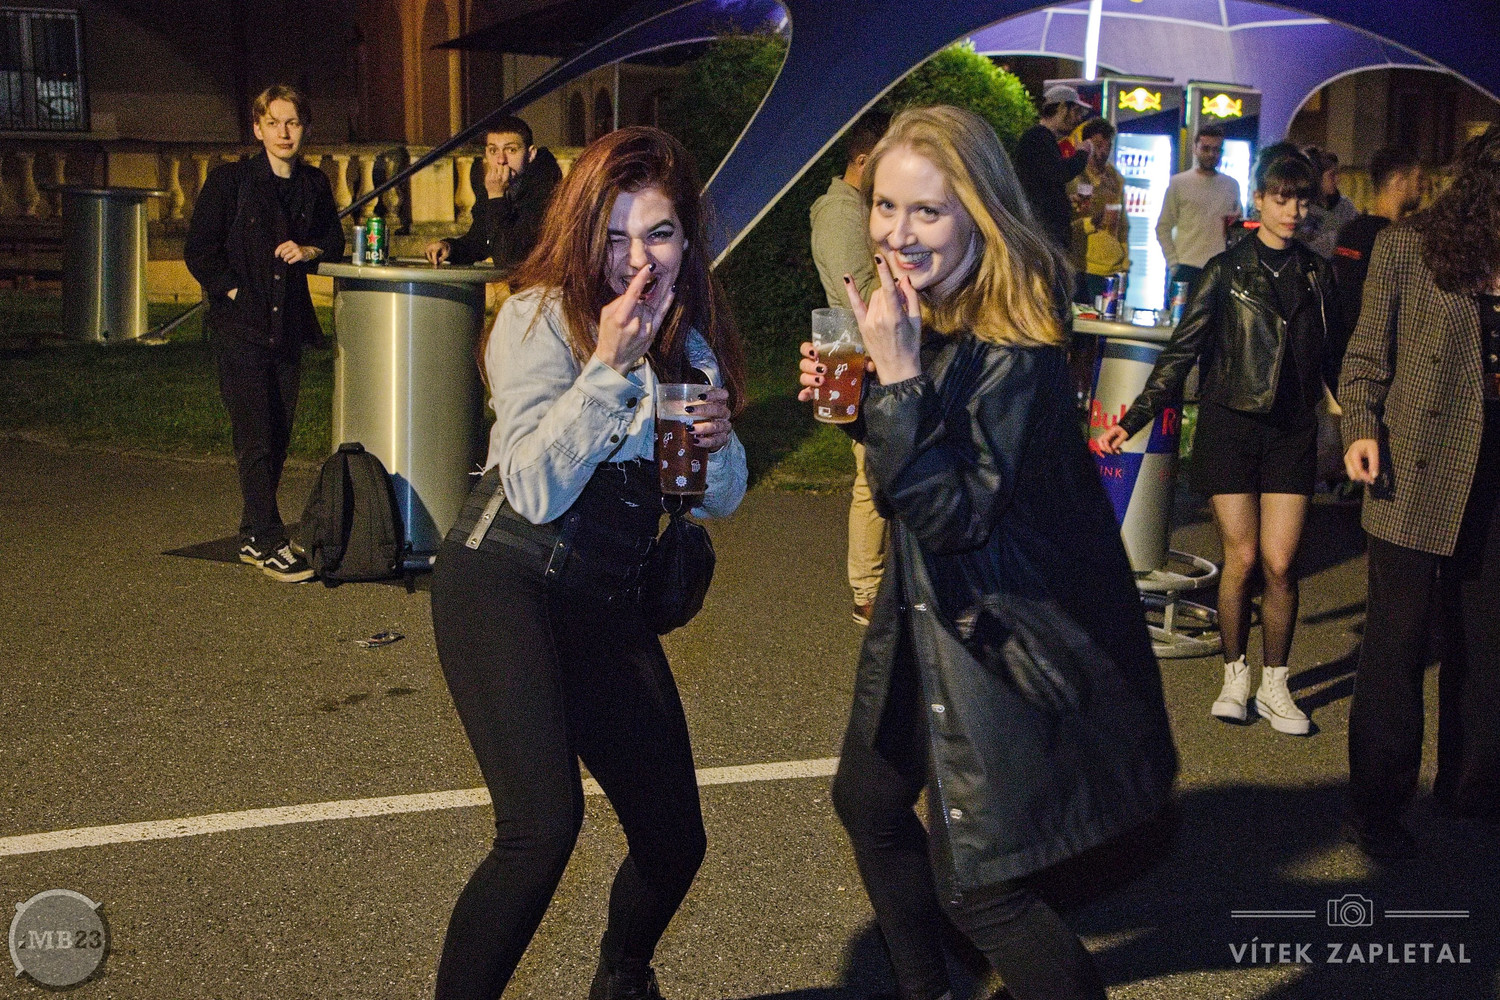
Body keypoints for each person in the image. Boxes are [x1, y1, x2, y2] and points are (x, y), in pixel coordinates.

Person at [801, 105, 1177, 1000]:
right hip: (933, 611)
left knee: (981, 888)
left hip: (1009, 639)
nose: (896, 233)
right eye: (885, 206)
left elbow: (953, 515)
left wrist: (896, 381)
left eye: (927, 211)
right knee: (868, 800)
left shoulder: (1016, 343)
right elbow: (911, 479)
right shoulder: (931, 312)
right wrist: (861, 404)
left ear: (979, 213)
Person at [428, 126, 747, 1000]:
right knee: (541, 827)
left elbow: (714, 498)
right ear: (581, 233)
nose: (636, 259)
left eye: (658, 233)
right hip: (504, 582)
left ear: (687, 239)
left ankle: (622, 976)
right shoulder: (537, 317)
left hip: (605, 601)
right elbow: (531, 486)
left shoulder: (689, 339)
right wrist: (607, 366)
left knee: (675, 840)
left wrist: (719, 443)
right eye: (614, 236)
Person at [1099, 144, 1341, 737]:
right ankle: (1235, 677)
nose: (1292, 211)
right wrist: (1132, 420)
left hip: (1292, 431)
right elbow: (1180, 354)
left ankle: (1276, 685)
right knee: (1244, 557)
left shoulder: (1318, 273)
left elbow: (1337, 358)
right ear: (1258, 200)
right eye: (1281, 198)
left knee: (1281, 564)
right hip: (1231, 427)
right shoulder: (1225, 271)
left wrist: (1359, 422)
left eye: (1301, 200)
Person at [1338, 124, 1500, 861]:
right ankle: (1376, 808)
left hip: (1493, 467)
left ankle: (1473, 786)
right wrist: (1360, 426)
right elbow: (1367, 353)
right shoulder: (1409, 246)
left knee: (1486, 639)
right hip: (1415, 462)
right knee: (1397, 642)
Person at [184, 83, 343, 583]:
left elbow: (333, 237)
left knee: (278, 433)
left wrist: (310, 250)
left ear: (305, 128)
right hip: (241, 327)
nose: (283, 132)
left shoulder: (313, 184)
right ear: (257, 129)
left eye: (292, 123)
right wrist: (233, 292)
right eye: (273, 123)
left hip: (288, 325)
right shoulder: (230, 181)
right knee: (253, 435)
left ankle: (253, 533)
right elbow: (199, 250)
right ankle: (269, 539)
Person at [811, 108, 890, 625]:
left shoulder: (854, 208)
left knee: (877, 472)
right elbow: (855, 294)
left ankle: (876, 586)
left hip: (861, 352)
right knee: (872, 476)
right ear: (862, 160)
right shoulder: (840, 213)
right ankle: (867, 590)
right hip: (855, 354)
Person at [424, 115, 562, 270]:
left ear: (530, 154)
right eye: (493, 150)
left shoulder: (547, 190)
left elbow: (508, 259)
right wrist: (450, 248)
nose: (501, 160)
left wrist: (496, 197)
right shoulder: (498, 185)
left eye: (511, 150)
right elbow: (481, 241)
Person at [1330, 146, 1423, 354]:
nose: (1423, 187)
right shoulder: (1400, 239)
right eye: (1418, 179)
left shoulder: (1350, 231)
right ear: (1399, 182)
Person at [1155, 124, 1241, 294]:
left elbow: (1237, 225)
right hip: (1186, 266)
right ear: (1195, 149)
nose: (1211, 154)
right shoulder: (1179, 183)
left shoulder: (1232, 185)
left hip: (1219, 267)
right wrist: (1173, 264)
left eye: (1216, 150)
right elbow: (1162, 227)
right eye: (1206, 148)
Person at [1013, 83, 1095, 254]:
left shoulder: (1042, 138)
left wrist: (1063, 199)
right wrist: (1082, 153)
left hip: (1043, 234)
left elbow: (1044, 181)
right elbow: (1060, 172)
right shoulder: (1038, 137)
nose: (1078, 119)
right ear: (1062, 108)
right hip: (1043, 236)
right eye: (1076, 112)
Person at [1067, 117, 1130, 304]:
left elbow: (1122, 224)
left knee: (1110, 321)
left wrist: (1125, 262)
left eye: (1108, 146)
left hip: (1114, 267)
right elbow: (1065, 225)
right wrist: (1092, 221)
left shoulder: (1115, 178)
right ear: (1086, 145)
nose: (1103, 152)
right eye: (1097, 145)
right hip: (1085, 267)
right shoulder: (1074, 177)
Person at [1298, 147, 1359, 260]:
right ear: (1316, 178)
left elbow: (1357, 244)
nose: (1337, 180)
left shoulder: (1345, 206)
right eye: (1332, 175)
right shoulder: (1302, 209)